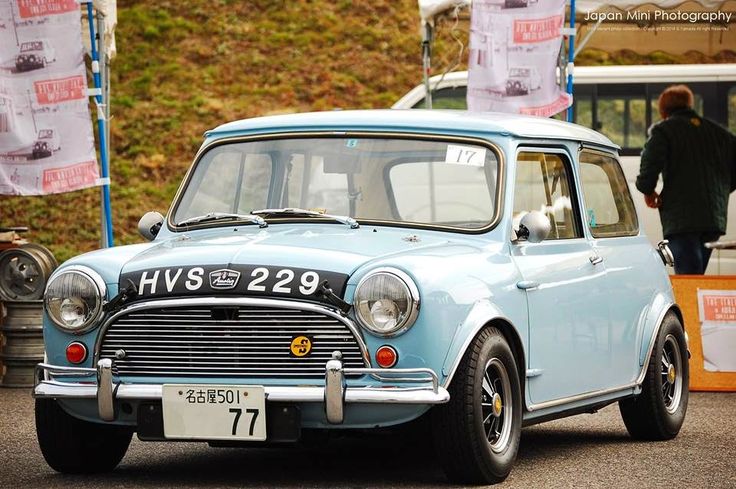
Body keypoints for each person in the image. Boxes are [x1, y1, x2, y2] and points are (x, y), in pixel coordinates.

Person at [636, 84, 736, 275]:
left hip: (683, 217)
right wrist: (721, 192)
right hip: (713, 218)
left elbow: (650, 163)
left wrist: (648, 191)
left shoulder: (664, 130)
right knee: (696, 272)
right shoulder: (721, 134)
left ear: (663, 110)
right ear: (690, 105)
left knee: (689, 276)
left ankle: (690, 305)